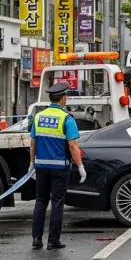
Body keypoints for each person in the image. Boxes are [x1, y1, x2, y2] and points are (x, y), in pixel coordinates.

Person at [30, 82, 86, 250]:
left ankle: (36, 239)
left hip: (41, 167)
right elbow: (73, 145)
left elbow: (33, 144)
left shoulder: (38, 117)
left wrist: (31, 164)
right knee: (57, 202)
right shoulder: (66, 119)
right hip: (59, 168)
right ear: (63, 99)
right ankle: (53, 240)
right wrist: (80, 166)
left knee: (40, 201)